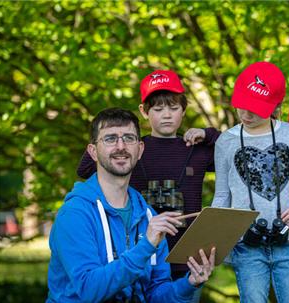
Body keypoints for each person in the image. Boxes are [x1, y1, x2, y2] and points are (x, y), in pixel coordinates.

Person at [47, 107, 216, 302]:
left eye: (129, 138)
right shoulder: (75, 214)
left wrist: (188, 284)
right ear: (93, 152)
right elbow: (89, 289)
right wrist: (146, 246)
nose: (121, 146)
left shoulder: (148, 216)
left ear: (140, 149)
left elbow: (155, 293)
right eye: (110, 139)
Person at [76, 70, 219, 296]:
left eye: (173, 108)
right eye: (158, 109)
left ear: (184, 109)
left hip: (187, 258)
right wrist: (119, 139)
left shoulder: (196, 150)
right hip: (144, 255)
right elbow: (84, 168)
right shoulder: (133, 149)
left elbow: (236, 152)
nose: (167, 115)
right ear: (144, 111)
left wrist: (208, 134)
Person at [212, 61, 289, 303]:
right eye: (242, 107)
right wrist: (215, 236)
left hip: (288, 242)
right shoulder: (226, 141)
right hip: (245, 246)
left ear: (275, 105)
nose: (247, 114)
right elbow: (222, 196)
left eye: (256, 109)